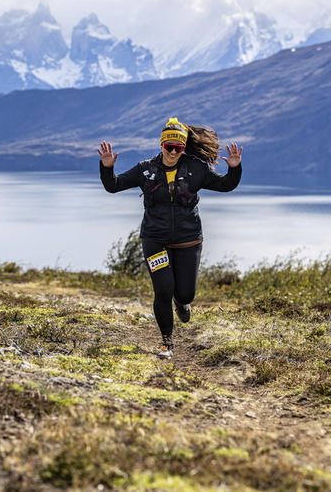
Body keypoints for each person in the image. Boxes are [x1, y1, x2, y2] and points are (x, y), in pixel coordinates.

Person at [98, 118, 243, 359]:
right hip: (155, 238)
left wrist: (235, 168)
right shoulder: (145, 169)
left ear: (184, 148)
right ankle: (166, 340)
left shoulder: (197, 169)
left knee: (185, 293)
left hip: (188, 239)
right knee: (163, 288)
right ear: (162, 145)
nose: (174, 152)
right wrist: (107, 167)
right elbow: (113, 186)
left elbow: (226, 185)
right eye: (169, 147)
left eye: (179, 147)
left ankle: (182, 303)